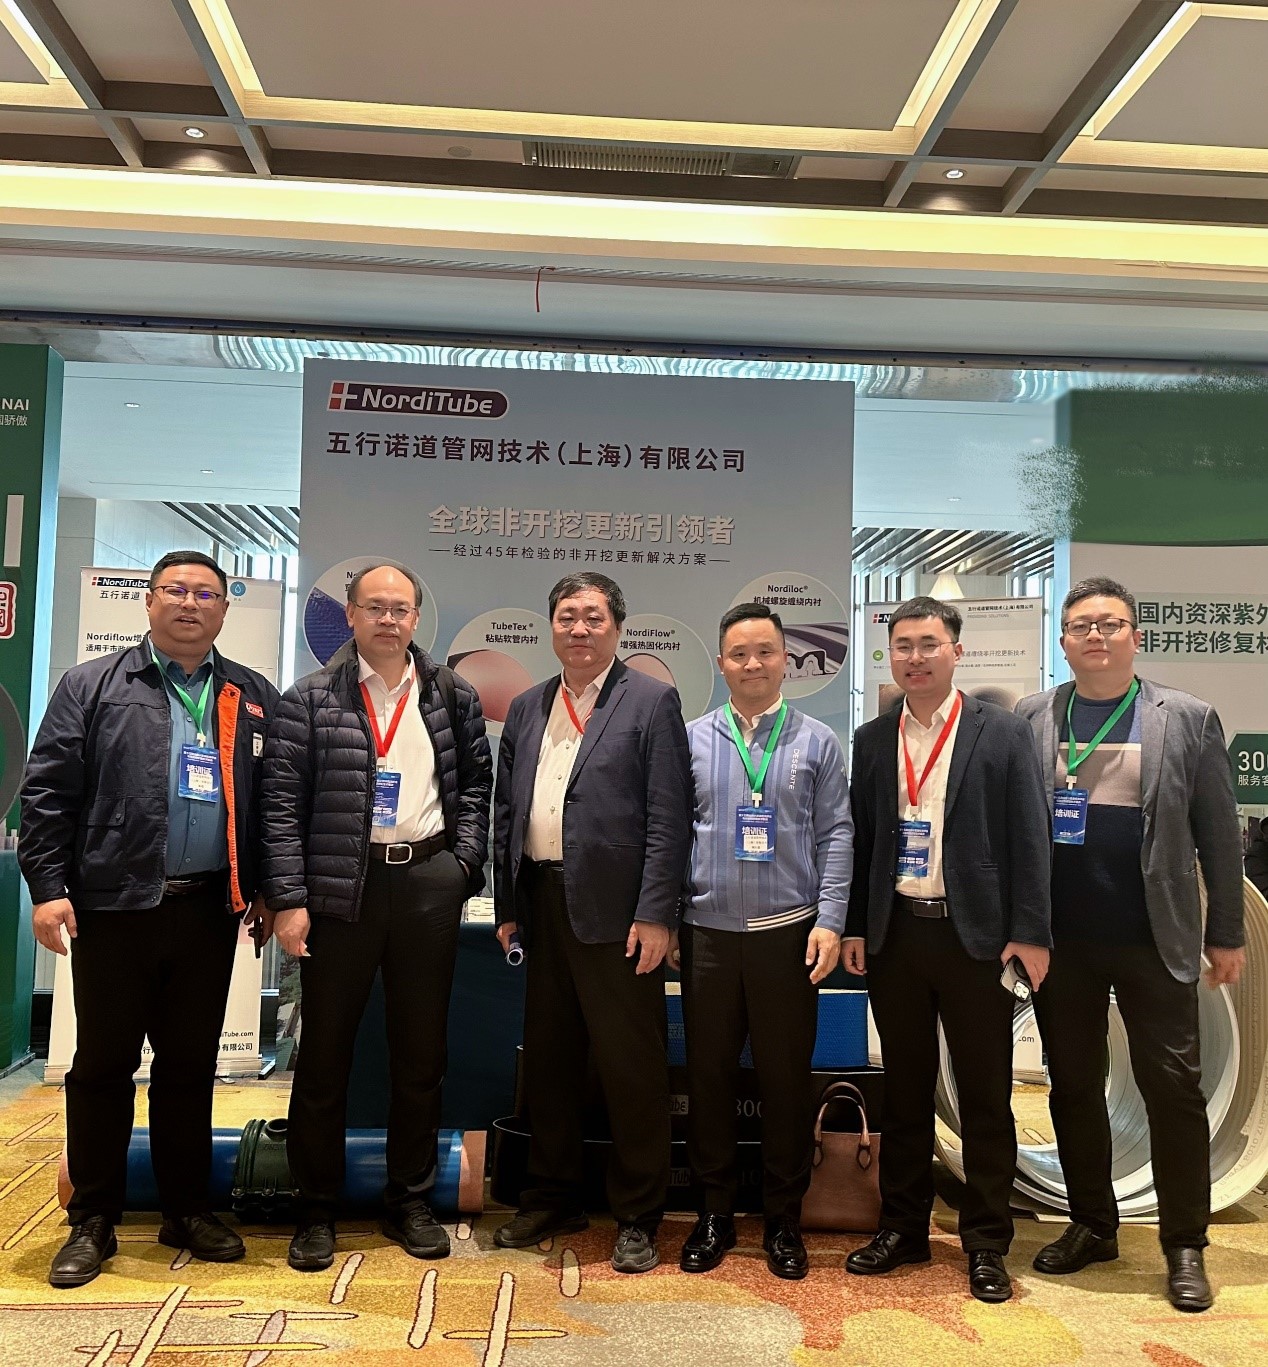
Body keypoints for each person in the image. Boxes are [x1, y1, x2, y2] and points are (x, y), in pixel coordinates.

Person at [19, 550, 277, 1287]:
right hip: (113, 907)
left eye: (206, 593)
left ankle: (186, 1208)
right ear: (149, 600)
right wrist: (47, 886)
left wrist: (263, 887)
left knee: (190, 1068)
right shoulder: (93, 685)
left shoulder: (250, 693)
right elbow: (48, 791)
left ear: (223, 608)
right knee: (102, 1067)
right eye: (175, 590)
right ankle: (93, 1218)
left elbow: (269, 802)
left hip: (206, 910)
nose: (190, 603)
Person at [1016, 576, 1245, 1313]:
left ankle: (1185, 1244)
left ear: (1135, 636)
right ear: (1063, 641)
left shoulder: (1187, 718)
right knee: (1073, 1083)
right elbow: (1017, 832)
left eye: (1110, 624)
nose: (1096, 635)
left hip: (1155, 937)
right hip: (1063, 943)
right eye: (1081, 625)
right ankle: (1093, 1223)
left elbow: (1220, 835)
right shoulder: (1032, 716)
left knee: (1173, 1088)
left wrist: (1227, 931)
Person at [260, 561, 491, 1272]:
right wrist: (290, 900)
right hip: (340, 890)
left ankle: (410, 1200)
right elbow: (280, 806)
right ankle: (315, 1207)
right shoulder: (309, 698)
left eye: (400, 608)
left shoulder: (451, 693)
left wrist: (462, 867)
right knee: (324, 1056)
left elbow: (477, 786)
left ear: (417, 617)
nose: (388, 619)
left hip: (426, 882)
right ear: (351, 615)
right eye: (375, 607)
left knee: (420, 1054)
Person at [843, 595, 1051, 1303]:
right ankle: (902, 1227)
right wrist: (855, 927)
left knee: (985, 1095)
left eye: (929, 644)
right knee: (904, 1090)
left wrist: (1031, 932)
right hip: (898, 935)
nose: (915, 657)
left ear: (956, 651)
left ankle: (987, 1241)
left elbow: (1030, 835)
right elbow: (864, 841)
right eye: (903, 645)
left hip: (978, 942)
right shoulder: (873, 738)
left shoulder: (1003, 732)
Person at [492, 572, 692, 1273]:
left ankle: (639, 1213)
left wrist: (657, 913)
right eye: (567, 616)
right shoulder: (528, 705)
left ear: (617, 627)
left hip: (620, 914)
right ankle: (553, 1195)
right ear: (551, 626)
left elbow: (669, 816)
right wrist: (509, 905)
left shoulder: (650, 700)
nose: (579, 629)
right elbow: (507, 811)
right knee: (550, 1062)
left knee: (630, 1068)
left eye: (593, 617)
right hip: (542, 904)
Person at [676, 602, 852, 1279]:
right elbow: (672, 834)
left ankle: (784, 1219)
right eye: (739, 654)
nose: (753, 664)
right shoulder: (691, 739)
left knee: (785, 1083)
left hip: (790, 937)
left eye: (766, 652)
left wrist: (831, 919)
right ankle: (714, 1213)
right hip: (708, 937)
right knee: (709, 1079)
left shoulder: (818, 741)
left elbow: (836, 834)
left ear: (786, 660)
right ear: (721, 664)